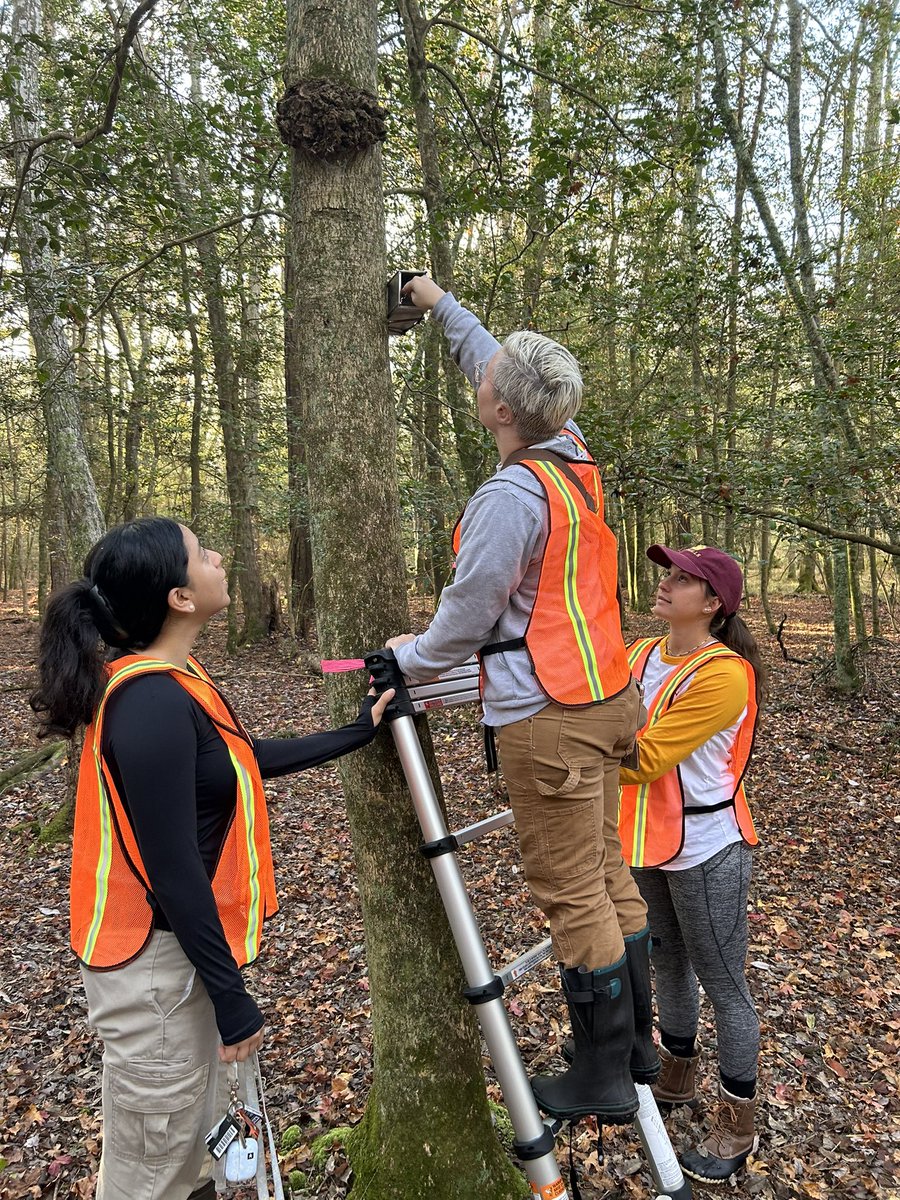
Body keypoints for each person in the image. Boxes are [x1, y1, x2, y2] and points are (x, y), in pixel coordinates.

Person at [30, 516, 393, 1200]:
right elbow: (172, 873)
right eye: (202, 553)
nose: (219, 557)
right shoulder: (149, 702)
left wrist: (356, 732)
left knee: (193, 1163)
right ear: (180, 598)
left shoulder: (174, 680)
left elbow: (239, 762)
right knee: (152, 1180)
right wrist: (233, 1001)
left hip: (178, 967)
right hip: (156, 980)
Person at [386, 276, 658, 1125]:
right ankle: (635, 1046)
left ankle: (604, 1076)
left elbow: (465, 617)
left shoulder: (508, 498)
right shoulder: (569, 456)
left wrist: (413, 661)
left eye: (490, 379)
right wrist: (436, 304)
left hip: (551, 721)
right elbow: (497, 360)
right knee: (609, 876)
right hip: (606, 702)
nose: (483, 374)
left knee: (572, 891)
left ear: (500, 409)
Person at [617, 544, 764, 1183]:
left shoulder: (724, 673)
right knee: (666, 960)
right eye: (668, 573)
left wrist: (565, 745)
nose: (667, 584)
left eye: (684, 579)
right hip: (646, 839)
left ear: (712, 604)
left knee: (723, 981)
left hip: (708, 847)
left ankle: (738, 1125)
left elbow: (644, 756)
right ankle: (675, 1076)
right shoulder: (641, 654)